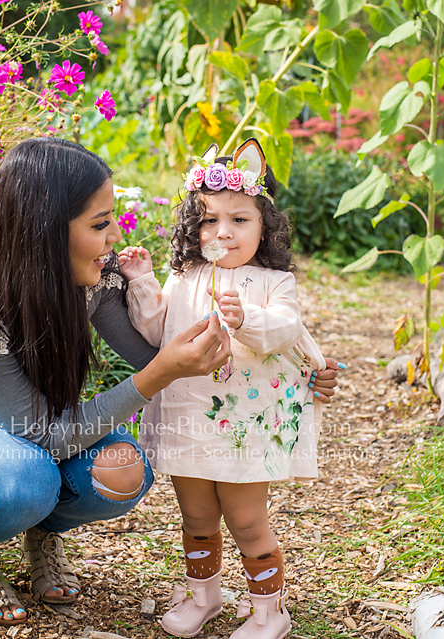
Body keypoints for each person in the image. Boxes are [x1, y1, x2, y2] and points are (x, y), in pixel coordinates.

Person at [0, 137, 239, 628]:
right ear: (45, 230)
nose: (113, 237)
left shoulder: (84, 278)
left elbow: (158, 354)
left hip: (27, 436)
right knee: (27, 477)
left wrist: (289, 363)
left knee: (124, 468)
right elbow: (47, 432)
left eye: (111, 219)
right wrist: (158, 374)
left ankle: (42, 533)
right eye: (98, 224)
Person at [117, 139, 344, 639]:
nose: (223, 232)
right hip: (189, 420)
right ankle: (206, 596)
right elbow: (158, 329)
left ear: (264, 227)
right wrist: (140, 280)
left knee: (246, 522)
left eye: (239, 220)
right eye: (209, 220)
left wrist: (248, 319)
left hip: (245, 427)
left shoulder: (272, 284)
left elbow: (285, 329)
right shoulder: (186, 276)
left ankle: (269, 612)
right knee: (196, 517)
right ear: (193, 230)